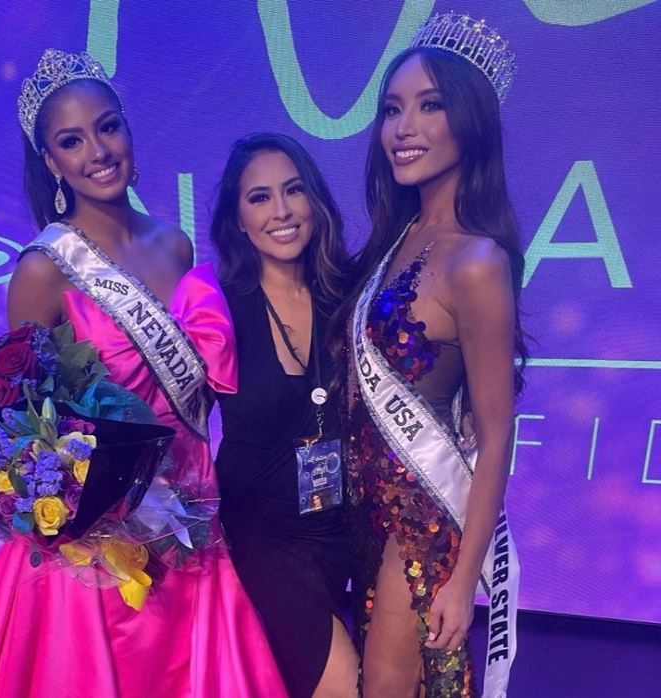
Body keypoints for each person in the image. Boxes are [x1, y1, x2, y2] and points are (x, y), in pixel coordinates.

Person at [0, 49, 287, 698]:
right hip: (100, 540)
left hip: (190, 527)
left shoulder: (175, 244)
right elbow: (24, 423)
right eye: (72, 140)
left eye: (108, 126)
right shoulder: (44, 268)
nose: (97, 150)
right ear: (52, 162)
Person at [337, 13, 525, 698]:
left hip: (419, 528)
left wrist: (463, 573)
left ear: (467, 119)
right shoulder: (397, 237)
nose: (402, 128)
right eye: (391, 110)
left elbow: (496, 429)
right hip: (356, 510)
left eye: (429, 105)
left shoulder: (478, 262)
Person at [210, 133, 358, 698]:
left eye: (293, 191)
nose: (281, 211)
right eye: (260, 198)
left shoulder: (349, 293)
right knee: (343, 684)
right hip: (262, 535)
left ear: (315, 201)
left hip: (345, 529)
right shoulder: (214, 303)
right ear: (238, 219)